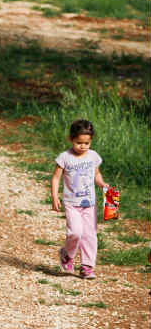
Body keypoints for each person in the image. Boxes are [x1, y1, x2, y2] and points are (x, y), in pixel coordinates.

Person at [50, 119, 108, 280]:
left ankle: (87, 266)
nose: (83, 146)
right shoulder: (65, 157)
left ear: (91, 141)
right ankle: (67, 255)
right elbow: (55, 178)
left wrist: (103, 184)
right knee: (75, 232)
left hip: (89, 203)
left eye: (87, 143)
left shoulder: (93, 156)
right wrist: (54, 196)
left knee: (90, 234)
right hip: (71, 204)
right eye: (79, 143)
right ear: (71, 139)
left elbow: (96, 174)